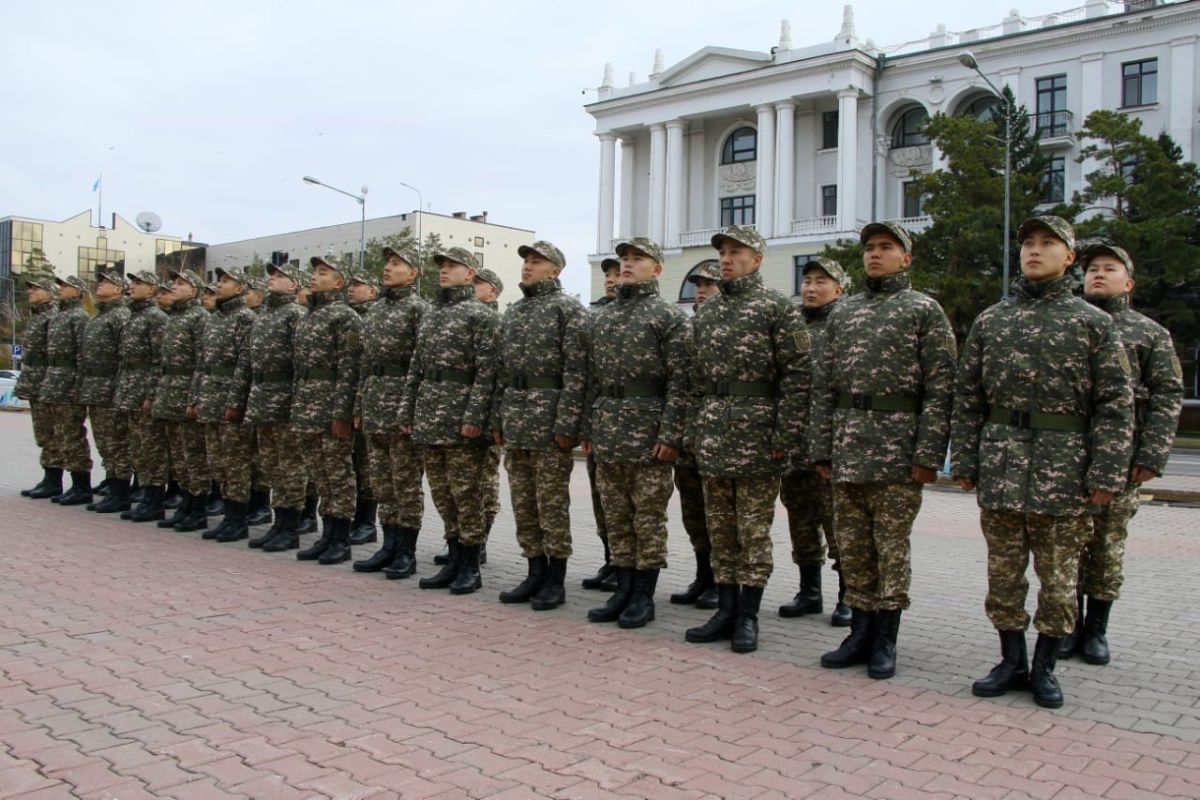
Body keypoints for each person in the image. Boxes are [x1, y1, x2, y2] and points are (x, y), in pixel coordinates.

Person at [952, 216, 1134, 709]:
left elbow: (1116, 405)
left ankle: (1044, 667)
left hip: (1064, 471)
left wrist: (1106, 472)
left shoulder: (1093, 323)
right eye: (1028, 242)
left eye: (1048, 243)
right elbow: (968, 398)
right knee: (1004, 576)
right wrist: (964, 459)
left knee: (1058, 581)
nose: (1034, 250)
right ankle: (1011, 661)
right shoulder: (992, 320)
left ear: (1069, 257)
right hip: (1002, 465)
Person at [812, 221, 956, 680]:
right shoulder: (844, 312)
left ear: (905, 258)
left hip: (897, 451)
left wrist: (928, 455)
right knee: (853, 547)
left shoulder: (923, 310)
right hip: (848, 448)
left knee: (890, 549)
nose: (874, 254)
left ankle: (886, 639)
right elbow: (824, 386)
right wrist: (822, 449)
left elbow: (941, 388)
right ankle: (859, 632)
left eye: (886, 247)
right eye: (870, 248)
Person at [683, 226, 810, 653]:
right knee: (720, 530)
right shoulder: (707, 313)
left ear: (756, 259)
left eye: (736, 251)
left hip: (758, 436)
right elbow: (694, 380)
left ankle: (748, 616)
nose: (726, 258)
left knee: (752, 531)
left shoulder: (777, 307)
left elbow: (798, 376)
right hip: (714, 435)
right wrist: (694, 430)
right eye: (722, 251)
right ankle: (725, 609)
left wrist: (785, 433)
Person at [1064, 243, 1182, 664]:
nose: (1098, 274)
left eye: (1109, 269)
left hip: (1122, 461)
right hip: (1065, 459)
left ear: (1128, 282)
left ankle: (1096, 630)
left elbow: (1168, 395)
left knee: (1106, 547)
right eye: (1092, 268)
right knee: (1065, 549)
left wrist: (1151, 455)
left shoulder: (1149, 333)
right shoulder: (1069, 324)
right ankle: (1066, 626)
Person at [581, 237, 690, 629]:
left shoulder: (669, 317)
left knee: (647, 518)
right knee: (616, 517)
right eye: (624, 258)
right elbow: (591, 379)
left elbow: (681, 381)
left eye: (637, 259)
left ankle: (643, 596)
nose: (627, 264)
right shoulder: (602, 317)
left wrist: (670, 434)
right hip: (608, 429)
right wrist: (588, 426)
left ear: (656, 268)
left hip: (648, 432)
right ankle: (622, 590)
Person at [492, 240, 587, 609]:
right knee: (524, 503)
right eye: (526, 261)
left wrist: (567, 424)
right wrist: (499, 418)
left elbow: (576, 373)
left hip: (548, 422)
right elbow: (502, 373)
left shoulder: (568, 310)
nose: (527, 266)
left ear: (556, 269)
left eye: (536, 261)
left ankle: (555, 580)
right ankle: (533, 572)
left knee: (551, 505)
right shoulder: (514, 312)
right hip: (516, 421)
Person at [402, 247, 499, 595]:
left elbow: (488, 372)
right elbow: (416, 368)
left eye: (452, 266)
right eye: (441, 265)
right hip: (431, 416)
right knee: (443, 495)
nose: (444, 270)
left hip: (461, 420)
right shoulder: (431, 315)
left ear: (470, 273)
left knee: (466, 495)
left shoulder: (481, 316)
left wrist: (475, 416)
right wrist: (407, 411)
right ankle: (454, 559)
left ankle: (471, 566)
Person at [779, 257, 852, 626]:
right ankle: (809, 592)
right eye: (807, 280)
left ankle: (848, 596)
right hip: (795, 443)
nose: (810, 287)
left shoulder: (847, 325)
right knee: (801, 520)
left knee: (837, 522)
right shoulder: (791, 327)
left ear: (839, 288)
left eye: (821, 281)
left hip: (830, 444)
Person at [351, 244, 429, 577]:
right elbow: (365, 363)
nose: (388, 268)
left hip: (401, 406)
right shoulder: (376, 310)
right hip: (375, 404)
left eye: (397, 263)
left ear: (413, 273)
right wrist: (360, 403)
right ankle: (388, 545)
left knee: (405, 482)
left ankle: (406, 552)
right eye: (387, 263)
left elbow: (421, 365)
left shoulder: (419, 310)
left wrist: (410, 410)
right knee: (381, 482)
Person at [291, 256, 364, 565]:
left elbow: (351, 367)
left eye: (323, 272)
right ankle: (327, 534)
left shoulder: (346, 317)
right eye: (314, 272)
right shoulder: (308, 316)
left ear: (338, 282)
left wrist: (342, 413)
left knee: (338, 474)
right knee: (319, 474)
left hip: (331, 405)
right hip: (307, 405)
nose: (314, 276)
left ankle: (341, 539)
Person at [243, 261, 309, 551]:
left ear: (294, 285)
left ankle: (290, 527)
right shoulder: (265, 314)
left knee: (290, 465)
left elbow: (301, 363)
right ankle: (278, 523)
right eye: (272, 274)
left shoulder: (296, 314)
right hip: (262, 398)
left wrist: (297, 402)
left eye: (281, 276)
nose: (273, 278)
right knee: (271, 464)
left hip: (284, 399)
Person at [669, 260, 721, 610]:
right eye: (698, 285)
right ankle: (703, 575)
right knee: (693, 512)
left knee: (718, 513)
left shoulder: (728, 327)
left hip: (717, 435)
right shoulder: (687, 328)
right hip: (688, 435)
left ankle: (720, 579)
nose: (701, 291)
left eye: (708, 285)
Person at [192, 266, 257, 542]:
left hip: (229, 398)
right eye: (218, 280)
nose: (219, 285)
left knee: (236, 462)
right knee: (218, 462)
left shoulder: (245, 318)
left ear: (240, 288)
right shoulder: (214, 318)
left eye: (226, 281)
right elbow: (202, 362)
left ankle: (238, 519)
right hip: (210, 397)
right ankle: (229, 517)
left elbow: (245, 364)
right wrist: (196, 397)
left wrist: (236, 401)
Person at [153, 270, 212, 532]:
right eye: (174, 283)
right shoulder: (174, 317)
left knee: (194, 455)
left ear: (194, 291)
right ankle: (185, 505)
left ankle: (198, 509)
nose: (174, 287)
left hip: (187, 393)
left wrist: (195, 398)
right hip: (170, 393)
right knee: (179, 456)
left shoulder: (199, 317)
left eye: (181, 283)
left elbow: (202, 361)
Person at [114, 270, 170, 522]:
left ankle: (155, 500)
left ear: (152, 289)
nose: (132, 286)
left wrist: (151, 394)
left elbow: (159, 360)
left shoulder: (156, 318)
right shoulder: (132, 316)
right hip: (129, 389)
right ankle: (145, 496)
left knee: (151, 448)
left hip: (144, 390)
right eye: (132, 282)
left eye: (139, 283)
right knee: (137, 447)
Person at [581, 257, 621, 591]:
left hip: (633, 425)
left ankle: (625, 567)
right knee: (601, 500)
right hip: (600, 421)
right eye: (607, 274)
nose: (610, 279)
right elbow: (587, 378)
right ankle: (610, 560)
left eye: (617, 273)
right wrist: (586, 427)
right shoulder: (595, 318)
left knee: (625, 505)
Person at [39, 275, 93, 505]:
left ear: (78, 292)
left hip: (69, 384)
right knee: (57, 434)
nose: (60, 288)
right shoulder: (58, 316)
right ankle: (55, 480)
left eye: (65, 286)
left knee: (72, 435)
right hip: (55, 383)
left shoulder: (79, 317)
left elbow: (83, 354)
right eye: (59, 285)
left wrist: (79, 385)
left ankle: (81, 485)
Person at [16, 270, 61, 499]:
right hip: (35, 381)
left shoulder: (53, 317)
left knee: (52, 432)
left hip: (47, 381)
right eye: (30, 288)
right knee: (43, 432)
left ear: (49, 293)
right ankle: (48, 475)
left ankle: (54, 480)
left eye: (36, 288)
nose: (30, 292)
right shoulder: (36, 317)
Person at [346, 271, 380, 546]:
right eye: (351, 284)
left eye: (358, 285)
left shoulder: (374, 318)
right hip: (351, 397)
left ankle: (366, 522)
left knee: (367, 465)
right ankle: (354, 519)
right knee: (352, 463)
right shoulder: (348, 318)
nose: (351, 289)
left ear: (372, 291)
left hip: (371, 399)